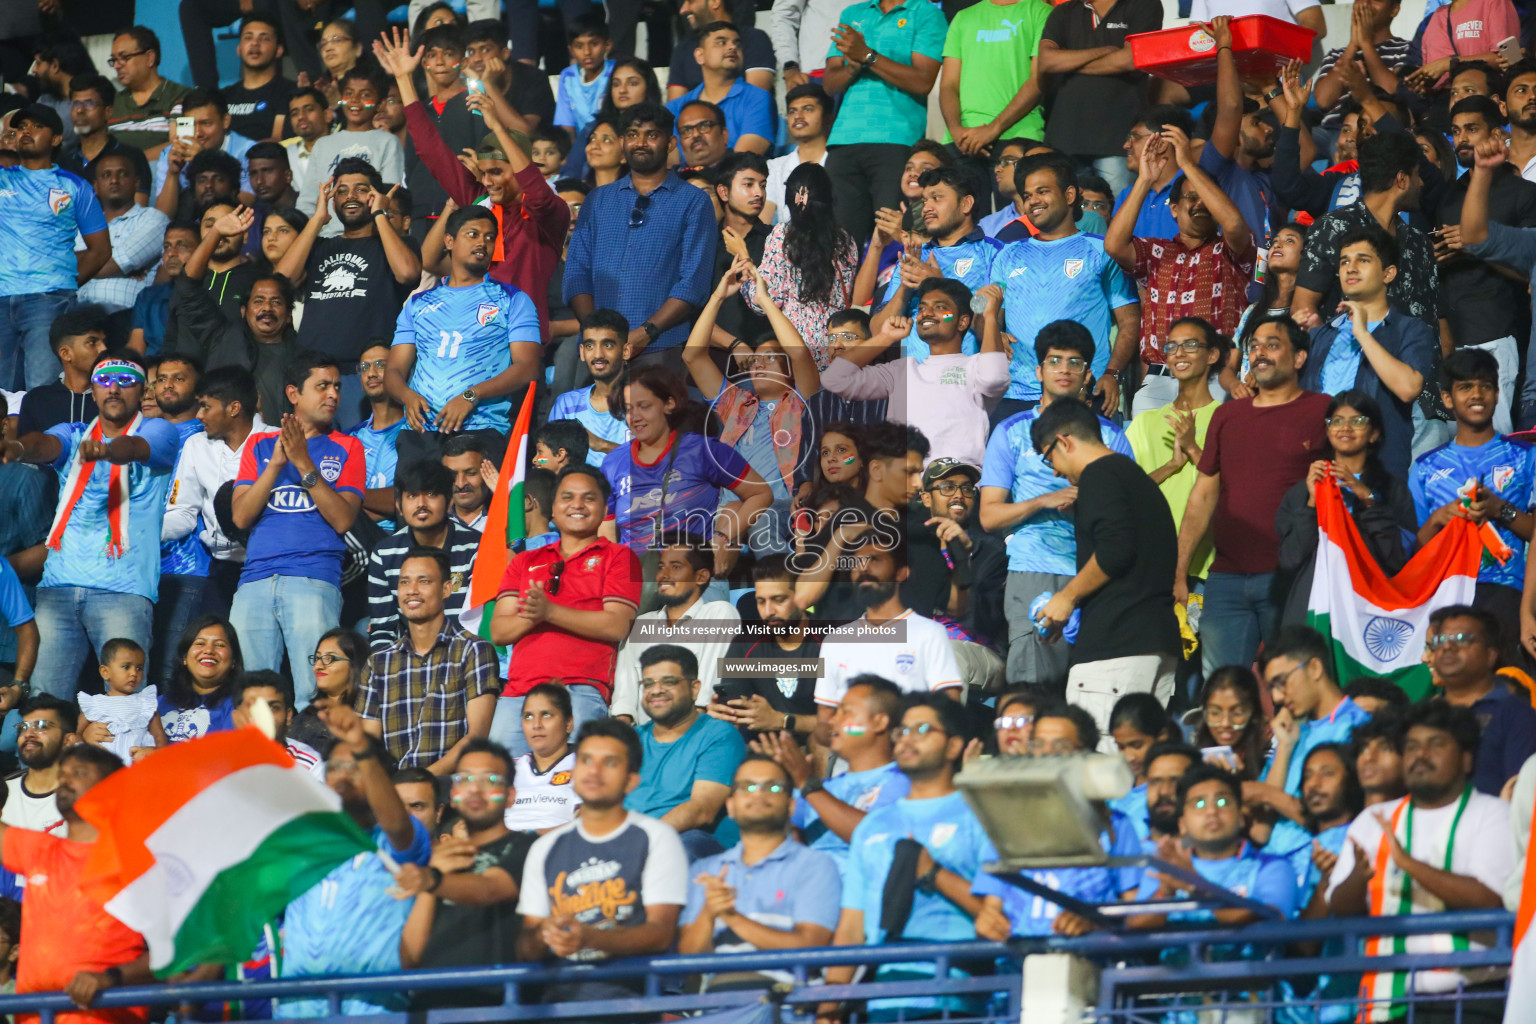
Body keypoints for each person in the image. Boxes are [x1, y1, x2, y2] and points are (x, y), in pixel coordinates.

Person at [4, 351, 180, 698]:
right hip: (56, 590)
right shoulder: (73, 434)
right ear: (94, 390)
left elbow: (136, 447)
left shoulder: (160, 431)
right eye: (105, 380)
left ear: (143, 391)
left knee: (124, 707)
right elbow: (45, 444)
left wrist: (107, 451)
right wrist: (17, 447)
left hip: (124, 593)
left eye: (126, 381)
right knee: (43, 702)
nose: (114, 388)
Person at [1327, 702, 1512, 1023]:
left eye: (1435, 744)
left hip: (1469, 1002)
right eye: (1411, 747)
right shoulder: (1372, 820)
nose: (1420, 755)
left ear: (1466, 759)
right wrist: (1357, 877)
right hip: (1387, 1003)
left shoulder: (1493, 815)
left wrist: (1407, 863)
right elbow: (1340, 909)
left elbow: (1490, 900)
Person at [1175, 315, 1331, 676]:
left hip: (1293, 577)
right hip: (1226, 579)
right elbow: (1203, 496)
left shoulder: (1323, 411)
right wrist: (1179, 571)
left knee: (1294, 687)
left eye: (1272, 345)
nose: (1260, 354)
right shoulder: (1227, 416)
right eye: (1254, 347)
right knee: (1223, 690)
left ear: (1299, 358)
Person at [980, 321, 1132, 687]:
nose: (1064, 370)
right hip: (1034, 568)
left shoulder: (1110, 435)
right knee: (1033, 689)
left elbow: (1128, 515)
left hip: (1097, 571)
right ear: (1039, 370)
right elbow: (988, 516)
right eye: (1054, 361)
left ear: (1088, 373)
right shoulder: (1011, 431)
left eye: (1074, 362)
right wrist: (1044, 501)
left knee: (1091, 691)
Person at [821, 695, 990, 1021]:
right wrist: (827, 1008)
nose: (908, 738)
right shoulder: (874, 825)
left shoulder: (980, 815)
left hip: (952, 999)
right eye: (903, 731)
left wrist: (933, 873)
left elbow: (1001, 914)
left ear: (954, 747)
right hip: (881, 999)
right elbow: (852, 928)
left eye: (923, 729)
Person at [1031, 398, 1179, 745]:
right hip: (1157, 642)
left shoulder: (1098, 476)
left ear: (1065, 441)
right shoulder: (1135, 478)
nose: (1053, 470)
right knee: (1141, 773)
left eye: (1048, 455)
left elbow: (1115, 550)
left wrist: (1067, 597)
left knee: (1096, 774)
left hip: (1117, 647)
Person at [276, 703, 433, 1019]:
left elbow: (398, 825)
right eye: (335, 767)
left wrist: (362, 746)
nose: (343, 777)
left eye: (355, 767)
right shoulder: (305, 845)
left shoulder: (398, 840)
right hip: (297, 1010)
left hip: (373, 1010)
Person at [516, 718, 688, 1004]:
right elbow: (527, 947)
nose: (594, 771)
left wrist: (590, 938)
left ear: (631, 779)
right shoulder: (544, 848)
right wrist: (542, 935)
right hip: (556, 1005)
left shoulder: (656, 838)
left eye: (608, 763)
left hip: (629, 1002)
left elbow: (660, 934)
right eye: (585, 760)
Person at [230, 353, 365, 708]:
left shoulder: (349, 447)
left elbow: (343, 519)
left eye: (336, 386)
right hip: (254, 581)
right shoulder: (259, 446)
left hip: (313, 579)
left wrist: (303, 461)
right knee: (252, 695)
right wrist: (276, 464)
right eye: (322, 386)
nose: (333, 394)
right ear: (294, 393)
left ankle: (315, 762)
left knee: (314, 692)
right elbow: (241, 517)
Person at [489, 465, 642, 756]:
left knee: (577, 787)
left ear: (604, 507)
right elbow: (498, 631)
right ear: (554, 508)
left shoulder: (620, 557)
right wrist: (535, 614)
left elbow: (618, 626)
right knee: (499, 782)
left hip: (581, 689)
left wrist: (549, 611)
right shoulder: (523, 562)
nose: (577, 505)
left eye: (588, 498)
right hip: (519, 694)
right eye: (567, 497)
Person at [1105, 125, 1255, 415]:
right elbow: (1113, 245)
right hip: (1159, 381)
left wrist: (1187, 163)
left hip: (1214, 378)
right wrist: (1145, 180)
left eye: (1206, 199)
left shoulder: (1232, 251)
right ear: (1173, 209)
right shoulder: (1157, 252)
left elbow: (1235, 225)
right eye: (1191, 198)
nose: (1200, 204)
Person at [2, 744, 156, 1024]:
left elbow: (178, 951)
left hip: (106, 1015)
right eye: (63, 773)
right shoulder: (39, 850)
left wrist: (111, 978)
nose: (65, 779)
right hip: (33, 1016)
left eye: (79, 772)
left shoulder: (139, 863)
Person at [564, 102, 717, 374]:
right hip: (597, 353)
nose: (641, 143)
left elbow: (693, 284)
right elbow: (577, 272)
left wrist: (645, 333)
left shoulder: (693, 202)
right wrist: (598, 335)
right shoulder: (598, 200)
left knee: (654, 417)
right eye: (633, 134)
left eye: (652, 135)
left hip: (662, 347)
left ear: (670, 143)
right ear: (623, 142)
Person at [987, 154, 1140, 420]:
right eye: (1027, 195)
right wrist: (991, 330)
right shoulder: (1006, 255)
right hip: (1017, 394)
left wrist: (1112, 374)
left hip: (1086, 392)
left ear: (1069, 195)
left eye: (1042, 191)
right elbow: (987, 314)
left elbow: (1130, 321)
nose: (1033, 200)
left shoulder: (1101, 251)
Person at [387, 204, 540, 456]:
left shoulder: (512, 299)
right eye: (473, 234)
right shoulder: (417, 303)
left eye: (490, 237)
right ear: (449, 241)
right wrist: (407, 396)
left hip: (481, 430)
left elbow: (528, 367)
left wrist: (471, 395)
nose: (482, 242)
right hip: (421, 432)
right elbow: (393, 370)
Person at [1410, 349, 1534, 650]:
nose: (1477, 394)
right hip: (1447, 595)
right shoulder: (1425, 468)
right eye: (1465, 386)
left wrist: (1499, 508)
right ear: (1447, 398)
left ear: (1496, 394)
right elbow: (1416, 551)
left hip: (1509, 593)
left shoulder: (1526, 456)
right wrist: (1441, 518)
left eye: (1486, 386)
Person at [678, 754, 841, 982]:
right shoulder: (707, 870)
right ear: (730, 806)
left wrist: (731, 918)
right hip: (720, 1006)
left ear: (791, 805)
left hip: (787, 1005)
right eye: (747, 787)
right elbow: (687, 964)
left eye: (773, 787)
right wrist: (708, 913)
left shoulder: (816, 866)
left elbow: (810, 947)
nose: (758, 794)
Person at [394, 738, 536, 998]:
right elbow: (409, 958)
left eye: (490, 781)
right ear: (453, 796)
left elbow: (490, 889)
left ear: (511, 796)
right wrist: (431, 877)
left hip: (500, 1008)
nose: (475, 790)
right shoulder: (435, 860)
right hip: (432, 1009)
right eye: (465, 780)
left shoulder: (529, 847)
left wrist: (433, 879)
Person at [278, 159, 421, 412]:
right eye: (342, 191)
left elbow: (408, 274)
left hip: (365, 374)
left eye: (361, 189)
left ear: (374, 197)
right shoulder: (320, 245)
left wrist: (380, 214)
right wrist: (317, 219)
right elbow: (280, 283)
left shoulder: (396, 246)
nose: (350, 196)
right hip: (311, 376)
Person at [1300, 224, 1436, 478]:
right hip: (1320, 468)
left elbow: (1408, 388)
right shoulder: (1320, 335)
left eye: (1363, 260)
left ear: (1388, 273)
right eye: (1344, 262)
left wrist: (1362, 332)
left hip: (1379, 473)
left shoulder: (1410, 330)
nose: (1350, 268)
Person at [826, 278, 1008, 468]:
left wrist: (989, 317)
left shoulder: (975, 366)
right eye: (921, 308)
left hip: (957, 487)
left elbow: (993, 380)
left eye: (939, 307)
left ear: (962, 322)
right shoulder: (901, 371)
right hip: (904, 488)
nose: (926, 313)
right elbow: (835, 380)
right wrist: (883, 337)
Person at [1436, 97, 1536, 435]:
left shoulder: (1524, 194)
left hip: (1499, 331)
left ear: (1497, 134)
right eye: (1455, 131)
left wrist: (1471, 249)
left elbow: (1531, 273)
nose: (1461, 138)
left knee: (1496, 446)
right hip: (1449, 335)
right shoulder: (1447, 196)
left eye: (1472, 129)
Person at [1276, 390, 1417, 628]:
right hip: (1315, 611)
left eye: (1357, 421)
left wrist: (1367, 496)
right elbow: (1290, 559)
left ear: (1374, 434)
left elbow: (1398, 559)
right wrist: (1312, 502)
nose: (1345, 428)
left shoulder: (1393, 490)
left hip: (1369, 613)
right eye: (1337, 421)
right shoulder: (1303, 491)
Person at [0, 104, 111, 392]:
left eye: (37, 127)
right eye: (22, 126)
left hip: (48, 300)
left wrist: (63, 285)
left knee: (42, 389)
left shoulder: (75, 186)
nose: (27, 131)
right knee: (1, 394)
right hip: (0, 299)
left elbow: (100, 249)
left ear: (57, 139)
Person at [359, 547, 499, 772]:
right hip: (395, 788)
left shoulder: (474, 650)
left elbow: (477, 737)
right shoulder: (378, 663)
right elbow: (367, 745)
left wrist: (422, 782)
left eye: (423, 581)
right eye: (404, 582)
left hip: (451, 785)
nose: (411, 590)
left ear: (446, 589)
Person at [818, 0, 946, 243]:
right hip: (844, 140)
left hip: (897, 140)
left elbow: (923, 81)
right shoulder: (853, 13)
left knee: (892, 237)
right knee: (840, 243)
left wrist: (867, 55)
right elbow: (830, 84)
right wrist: (855, 64)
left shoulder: (925, 12)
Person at [1292, 132, 1437, 332]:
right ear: (1402, 180)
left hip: (1416, 362)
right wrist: (1331, 353)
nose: (1421, 183)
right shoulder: (1333, 228)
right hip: (1351, 359)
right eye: (1417, 174)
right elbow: (1302, 309)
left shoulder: (1419, 242)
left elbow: (1438, 321)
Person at [1125, 764, 1298, 929]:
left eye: (1222, 802)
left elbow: (1269, 923)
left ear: (1241, 818)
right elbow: (1133, 929)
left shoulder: (1273, 867)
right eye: (1199, 804)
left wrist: (1194, 884)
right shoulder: (1167, 868)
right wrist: (1165, 893)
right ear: (1183, 824)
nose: (1211, 811)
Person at [1245, 627, 1371, 853]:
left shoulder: (1359, 728)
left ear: (1314, 668)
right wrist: (1284, 747)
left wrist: (1264, 793)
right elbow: (1261, 830)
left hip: (1322, 866)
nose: (1277, 697)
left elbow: (1340, 819)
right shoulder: (1292, 731)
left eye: (1281, 682)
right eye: (1271, 687)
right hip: (1269, 865)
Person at [815, 528, 965, 712]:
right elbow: (825, 720)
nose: (863, 568)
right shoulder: (835, 641)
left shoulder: (929, 634)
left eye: (875, 560)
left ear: (901, 572)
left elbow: (950, 713)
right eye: (857, 562)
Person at [1126, 317, 1226, 588]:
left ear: (1212, 355)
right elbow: (1127, 493)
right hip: (1152, 563)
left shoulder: (1227, 418)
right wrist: (1171, 465)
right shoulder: (1144, 423)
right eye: (1172, 346)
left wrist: (1193, 448)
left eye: (1191, 345)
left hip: (1207, 567)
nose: (1179, 353)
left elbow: (1236, 489)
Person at [625, 645, 748, 859]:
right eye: (648, 684)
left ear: (694, 688)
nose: (656, 690)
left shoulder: (718, 735)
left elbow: (702, 809)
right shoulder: (629, 739)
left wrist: (639, 841)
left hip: (687, 841)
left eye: (669, 682)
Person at [1035, 0, 1161, 196]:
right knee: (1068, 218)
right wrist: (1105, 51)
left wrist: (1068, 65)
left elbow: (1129, 60)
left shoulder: (1143, 5)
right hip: (1065, 138)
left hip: (1117, 141)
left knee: (1119, 214)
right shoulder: (1064, 12)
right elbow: (1046, 61)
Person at [612, 534, 740, 722]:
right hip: (642, 741)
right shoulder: (640, 624)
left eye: (676, 567)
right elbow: (624, 700)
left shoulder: (717, 615)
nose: (663, 575)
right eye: (661, 567)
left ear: (701, 576)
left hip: (695, 733)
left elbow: (707, 694)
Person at [366, 460, 481, 652]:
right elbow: (382, 630)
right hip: (411, 661)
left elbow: (478, 623)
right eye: (411, 496)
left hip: (466, 656)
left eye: (431, 494)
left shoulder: (477, 547)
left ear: (449, 502)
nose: (421, 504)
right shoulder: (384, 553)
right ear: (399, 506)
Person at [1426, 605, 1536, 795]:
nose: (1448, 646)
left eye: (1461, 639)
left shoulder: (1516, 713)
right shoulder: (1425, 714)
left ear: (1490, 655)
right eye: (1440, 640)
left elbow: (1520, 792)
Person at [77, 153, 169, 318]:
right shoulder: (79, 226)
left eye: (123, 174)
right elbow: (58, 267)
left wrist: (85, 259)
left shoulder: (153, 219)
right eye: (106, 175)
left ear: (136, 183)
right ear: (95, 187)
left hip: (123, 315)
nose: (114, 180)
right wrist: (106, 255)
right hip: (76, 312)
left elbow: (114, 265)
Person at [665, 23, 776, 154]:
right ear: (700, 55)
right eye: (721, 43)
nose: (732, 47)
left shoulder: (758, 98)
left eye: (737, 44)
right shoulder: (675, 108)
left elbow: (744, 160)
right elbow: (669, 159)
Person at [151, 89, 257, 219]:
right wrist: (172, 174)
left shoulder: (248, 151)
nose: (198, 133)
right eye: (191, 125)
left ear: (225, 121)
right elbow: (162, 218)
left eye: (206, 123)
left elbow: (244, 204)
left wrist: (205, 160)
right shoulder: (171, 153)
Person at [548, 311, 631, 467]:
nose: (598, 354)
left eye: (607, 345)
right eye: (590, 345)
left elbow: (656, 461)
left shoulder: (642, 402)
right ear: (582, 352)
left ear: (626, 351)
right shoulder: (566, 404)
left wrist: (602, 445)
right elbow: (544, 458)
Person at [59, 75, 153, 204]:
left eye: (89, 103)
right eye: (75, 104)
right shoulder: (62, 162)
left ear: (108, 112)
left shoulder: (131, 157)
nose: (80, 110)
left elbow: (138, 213)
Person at [15, 306, 104, 437]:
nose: (103, 349)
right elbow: (28, 454)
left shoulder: (114, 396)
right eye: (92, 342)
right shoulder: (36, 400)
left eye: (104, 342)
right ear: (66, 353)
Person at [507, 683, 582, 832]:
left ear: (569, 723)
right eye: (528, 716)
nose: (536, 725)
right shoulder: (508, 769)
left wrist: (528, 839)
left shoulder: (585, 767)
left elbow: (587, 824)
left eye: (546, 715)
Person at [106, 26, 192, 153]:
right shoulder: (111, 104)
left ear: (150, 58)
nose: (117, 66)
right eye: (114, 60)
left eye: (124, 57)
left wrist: (136, 162)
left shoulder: (183, 97)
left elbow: (182, 146)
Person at [78, 637, 163, 764]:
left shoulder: (146, 703)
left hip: (136, 766)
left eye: (139, 668)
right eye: (126, 666)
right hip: (103, 765)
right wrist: (84, 739)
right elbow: (77, 733)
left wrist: (158, 752)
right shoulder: (95, 704)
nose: (134, 673)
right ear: (105, 672)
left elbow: (158, 735)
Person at [2, 695, 79, 836]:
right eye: (24, 727)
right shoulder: (3, 792)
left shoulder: (87, 799)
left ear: (68, 740)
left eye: (42, 726)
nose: (28, 734)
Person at [158, 616, 243, 742]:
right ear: (184, 657)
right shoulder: (159, 703)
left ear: (234, 661)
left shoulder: (239, 706)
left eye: (219, 645)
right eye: (200, 643)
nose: (208, 650)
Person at [763, 85, 830, 225]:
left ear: (828, 117)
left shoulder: (842, 164)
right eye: (792, 111)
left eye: (808, 109)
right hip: (788, 244)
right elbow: (764, 221)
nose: (798, 116)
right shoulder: (775, 167)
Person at [1195, 666, 1271, 781]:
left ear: (1254, 715)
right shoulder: (1193, 762)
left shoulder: (1270, 761)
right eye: (1215, 713)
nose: (1225, 723)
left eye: (1237, 713)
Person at [555, 16, 615, 138]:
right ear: (571, 50)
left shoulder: (617, 71)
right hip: (581, 147)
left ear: (607, 45)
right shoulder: (567, 76)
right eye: (579, 46)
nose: (587, 52)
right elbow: (567, 126)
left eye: (594, 44)